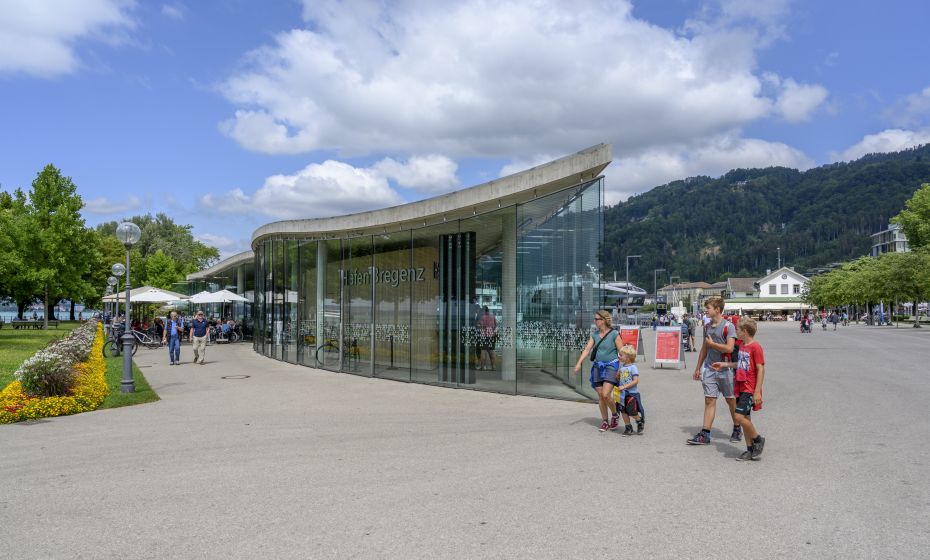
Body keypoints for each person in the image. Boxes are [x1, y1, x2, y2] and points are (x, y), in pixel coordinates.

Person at [687, 296, 740, 445]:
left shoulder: (728, 327)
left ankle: (737, 427)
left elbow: (730, 348)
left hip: (726, 368)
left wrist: (713, 344)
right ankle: (705, 434)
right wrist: (698, 367)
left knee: (730, 400)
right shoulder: (707, 326)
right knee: (709, 400)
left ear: (717, 309)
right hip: (710, 368)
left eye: (708, 308)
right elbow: (705, 348)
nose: (705, 310)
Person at [712, 317, 765, 461]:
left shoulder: (755, 347)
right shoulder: (742, 346)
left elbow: (761, 369)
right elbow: (740, 364)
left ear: (745, 331)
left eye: (738, 330)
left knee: (738, 417)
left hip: (749, 388)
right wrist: (724, 365)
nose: (736, 332)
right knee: (745, 418)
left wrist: (757, 391)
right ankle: (749, 449)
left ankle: (758, 439)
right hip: (740, 385)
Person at [574, 310, 623, 432]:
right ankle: (605, 421)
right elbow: (586, 350)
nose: (595, 321)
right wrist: (579, 363)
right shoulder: (594, 335)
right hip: (597, 366)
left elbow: (622, 352)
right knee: (601, 395)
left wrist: (622, 369)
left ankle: (615, 414)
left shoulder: (614, 334)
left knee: (606, 394)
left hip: (611, 366)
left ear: (604, 320)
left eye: (597, 319)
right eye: (595, 319)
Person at [613, 344, 645, 436]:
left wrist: (624, 386)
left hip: (631, 394)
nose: (619, 356)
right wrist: (618, 376)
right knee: (623, 411)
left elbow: (636, 381)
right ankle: (628, 427)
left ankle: (639, 420)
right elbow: (620, 378)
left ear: (628, 357)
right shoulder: (622, 367)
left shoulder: (633, 367)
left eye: (621, 355)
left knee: (631, 411)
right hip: (622, 394)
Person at [477, 306, 497, 371]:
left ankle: (482, 367)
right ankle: (493, 367)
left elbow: (480, 326)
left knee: (483, 351)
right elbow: (496, 326)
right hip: (492, 336)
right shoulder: (493, 317)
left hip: (484, 336)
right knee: (492, 351)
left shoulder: (482, 317)